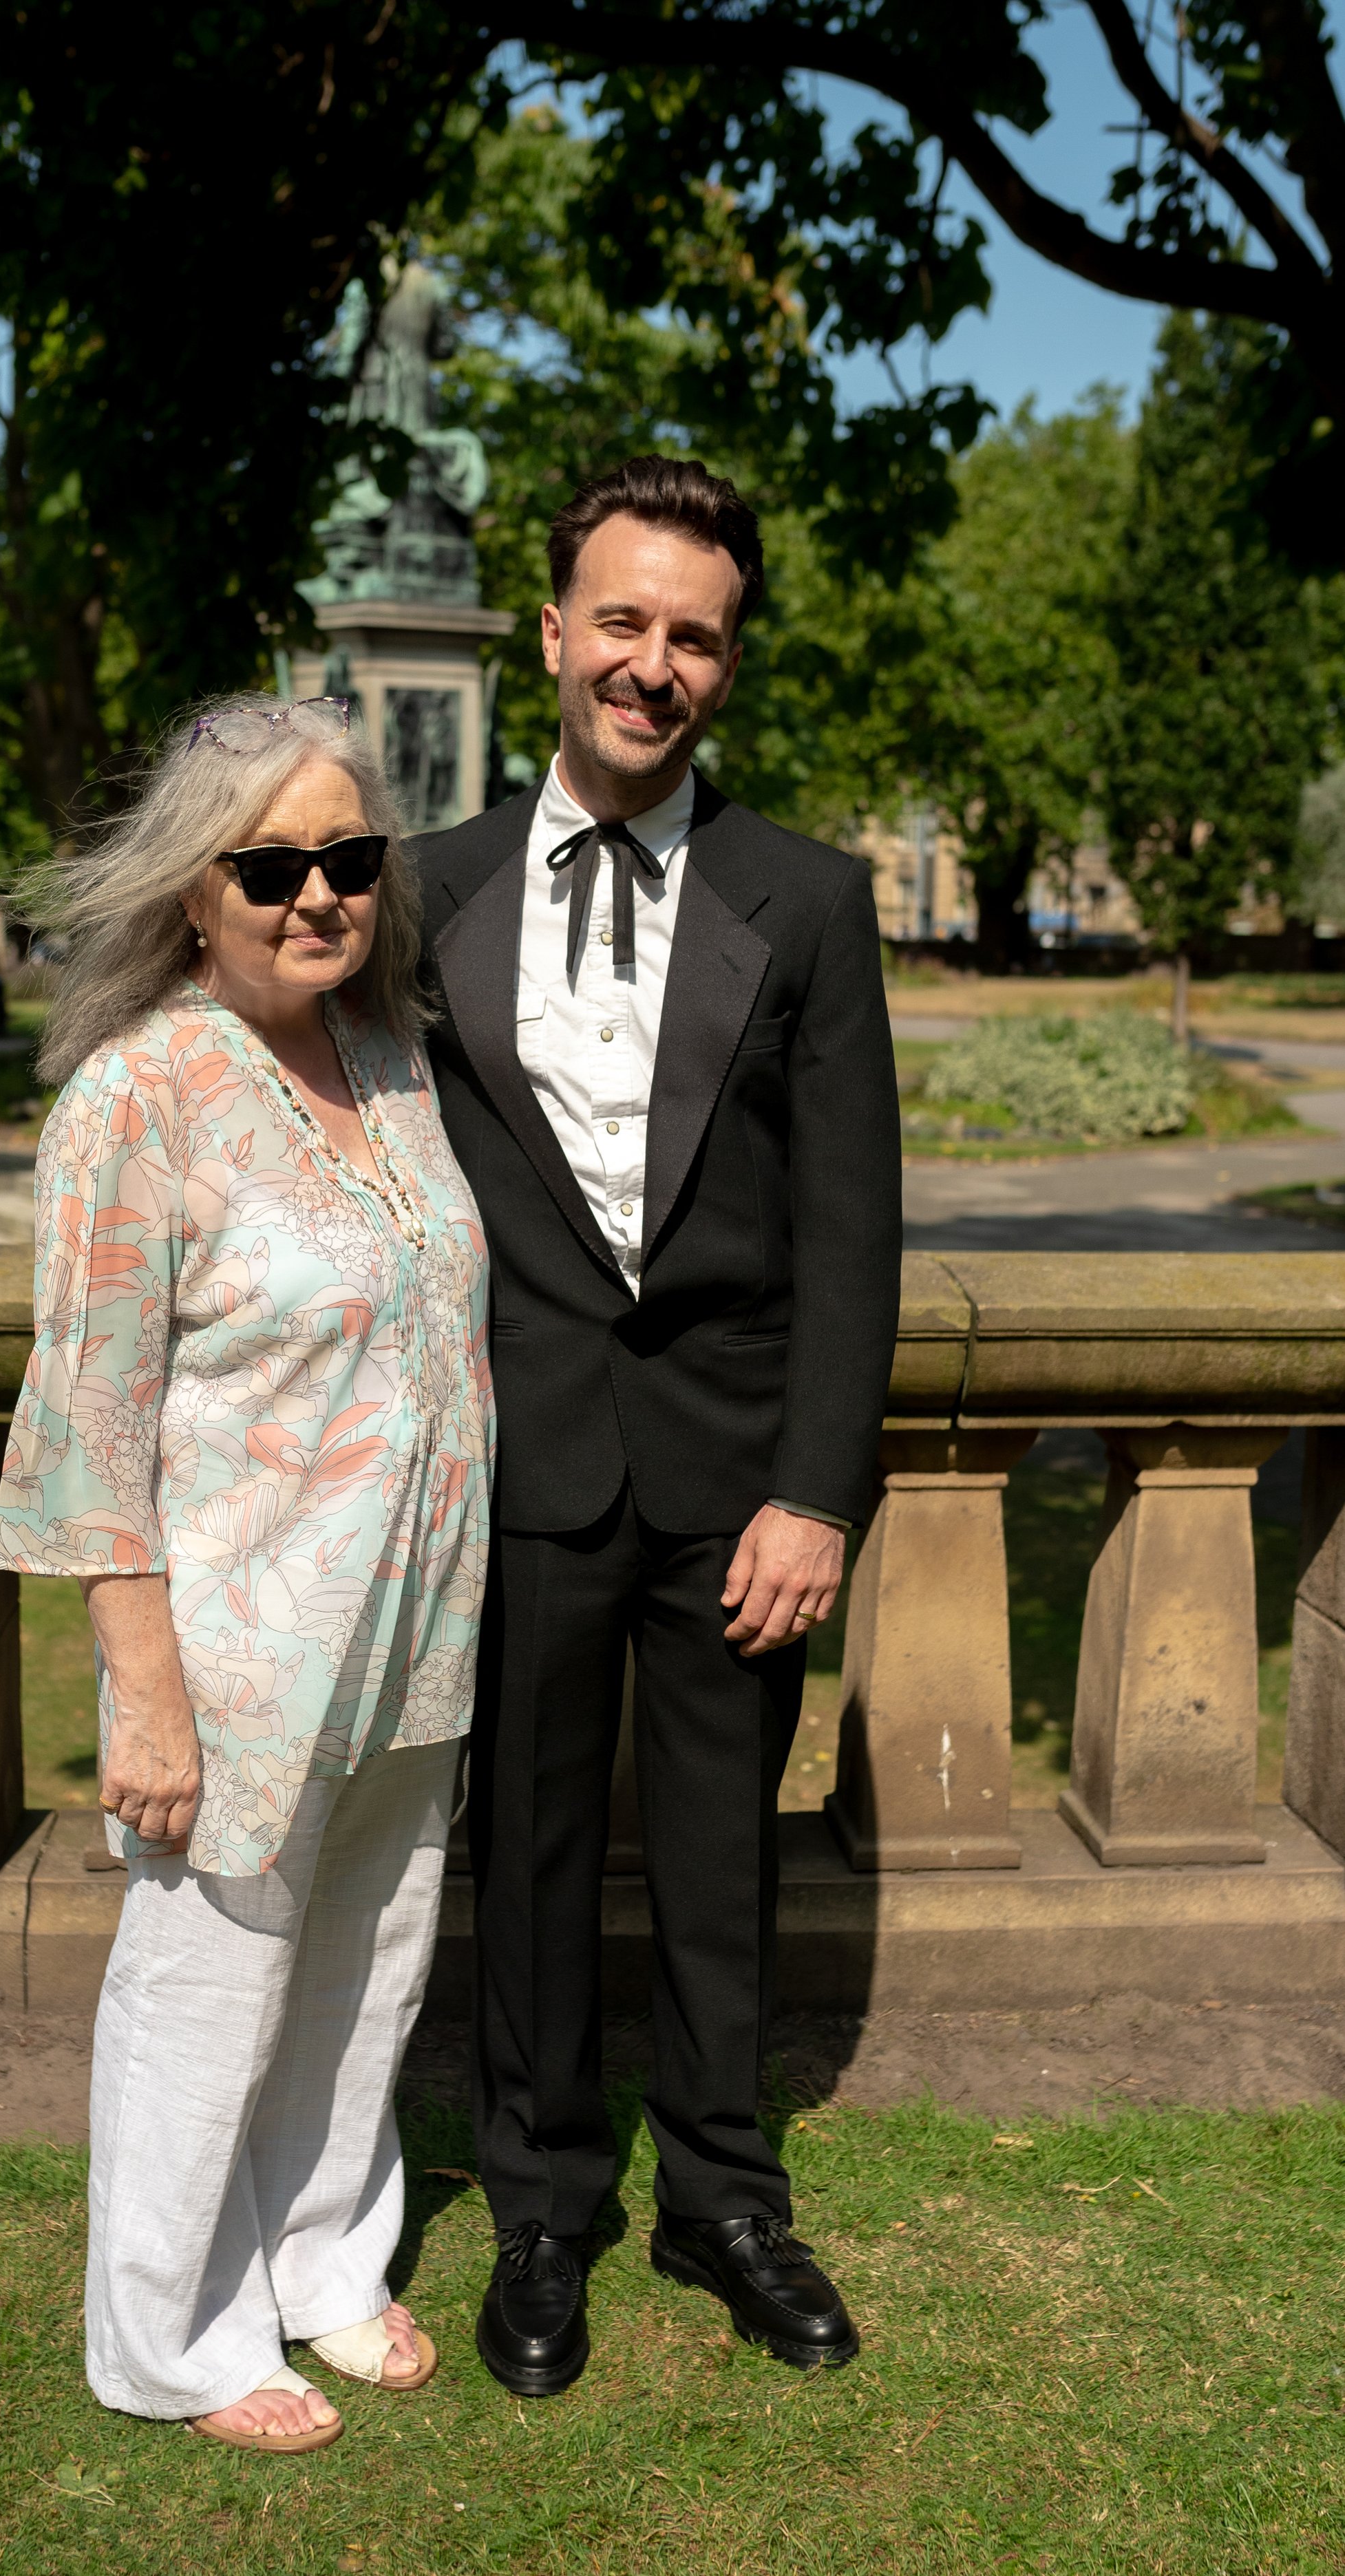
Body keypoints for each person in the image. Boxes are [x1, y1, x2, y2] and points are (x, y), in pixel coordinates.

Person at [416, 457, 902, 2396]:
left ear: (725, 665)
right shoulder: (424, 888)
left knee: (720, 1857)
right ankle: (539, 2207)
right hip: (521, 1466)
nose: (650, 663)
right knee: (518, 1858)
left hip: (729, 1485)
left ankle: (723, 2196)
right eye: (619, 620)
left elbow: (852, 1226)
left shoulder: (812, 901)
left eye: (691, 634)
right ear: (551, 633)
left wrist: (816, 1492)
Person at [0, 696, 492, 2453]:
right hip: (234, 1654)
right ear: (191, 891)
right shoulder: (136, 1101)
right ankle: (173, 2334)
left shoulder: (391, 1056)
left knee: (370, 1963)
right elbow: (84, 1428)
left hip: (413, 1623)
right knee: (207, 1991)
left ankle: (325, 2261)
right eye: (270, 865)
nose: (315, 895)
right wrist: (141, 1686)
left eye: (348, 859)